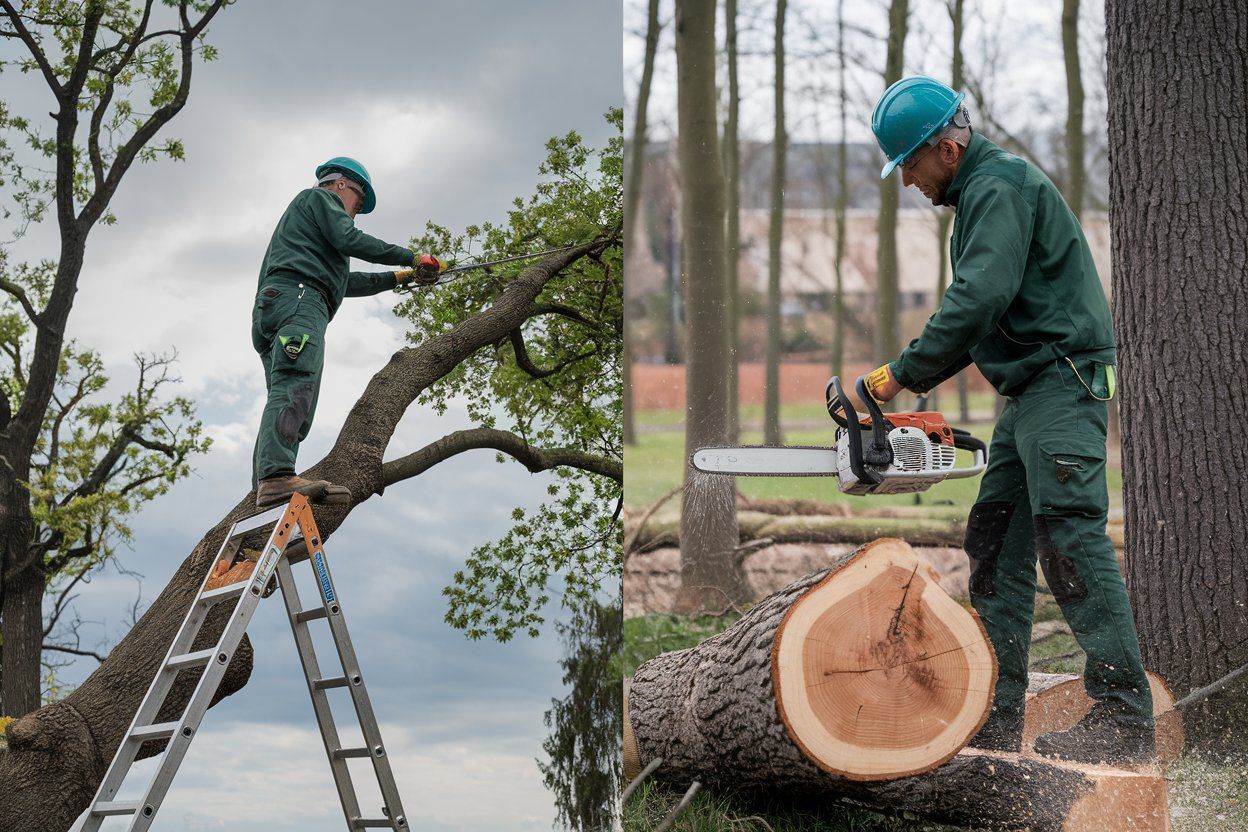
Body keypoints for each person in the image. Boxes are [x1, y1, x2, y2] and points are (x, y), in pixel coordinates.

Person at [863, 77, 1155, 765]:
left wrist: (898, 373)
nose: (907, 180)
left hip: (1062, 381)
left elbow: (978, 298)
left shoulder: (1000, 187)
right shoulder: (978, 199)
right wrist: (912, 374)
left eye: (908, 162)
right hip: (1027, 393)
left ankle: (1124, 717)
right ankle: (992, 717)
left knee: (1070, 538)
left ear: (946, 147)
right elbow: (979, 311)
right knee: (995, 542)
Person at [250, 156, 441, 509]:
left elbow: (342, 284)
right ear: (340, 185)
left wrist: (398, 279)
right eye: (358, 199)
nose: (355, 211)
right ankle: (276, 477)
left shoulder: (311, 237)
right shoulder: (319, 200)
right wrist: (413, 257)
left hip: (285, 303)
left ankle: (263, 489)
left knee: (288, 397)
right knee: (296, 386)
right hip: (300, 301)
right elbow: (350, 237)